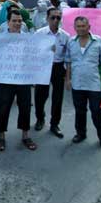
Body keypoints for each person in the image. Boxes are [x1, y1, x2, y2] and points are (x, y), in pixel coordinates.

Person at [0, 10, 37, 151]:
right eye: (14, 21)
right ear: (8, 22)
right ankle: (1, 136)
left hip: (23, 79)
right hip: (6, 80)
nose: (17, 23)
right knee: (3, 107)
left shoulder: (29, 38)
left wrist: (47, 49)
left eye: (19, 21)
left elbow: (36, 54)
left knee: (25, 107)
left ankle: (25, 135)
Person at [65, 16, 101, 150]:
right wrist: (67, 79)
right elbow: (68, 62)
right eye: (78, 26)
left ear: (89, 27)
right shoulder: (71, 42)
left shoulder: (98, 41)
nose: (81, 29)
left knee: (97, 112)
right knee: (80, 111)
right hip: (77, 83)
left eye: (83, 26)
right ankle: (81, 134)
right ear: (75, 28)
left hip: (94, 85)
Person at [34, 8, 69, 138]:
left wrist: (67, 74)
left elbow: (68, 56)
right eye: (52, 18)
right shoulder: (39, 34)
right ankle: (40, 118)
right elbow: (32, 52)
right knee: (40, 95)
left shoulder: (65, 36)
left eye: (58, 18)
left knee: (58, 97)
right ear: (47, 18)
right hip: (43, 66)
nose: (55, 20)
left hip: (58, 67)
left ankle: (55, 124)